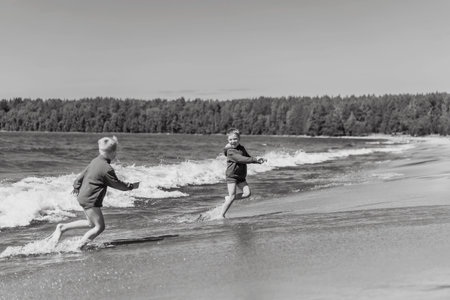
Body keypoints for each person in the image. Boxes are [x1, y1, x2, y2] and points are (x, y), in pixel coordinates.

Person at [47, 136, 139, 248]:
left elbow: (81, 175)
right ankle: (78, 247)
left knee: (91, 223)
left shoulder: (95, 161)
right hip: (91, 199)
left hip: (83, 196)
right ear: (113, 153)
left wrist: (76, 187)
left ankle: (63, 227)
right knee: (100, 227)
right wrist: (131, 186)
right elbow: (117, 184)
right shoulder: (107, 168)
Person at [220, 128, 266, 218]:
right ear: (228, 140)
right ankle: (222, 215)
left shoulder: (242, 148)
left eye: (235, 139)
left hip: (241, 177)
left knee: (247, 193)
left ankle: (228, 198)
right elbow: (241, 159)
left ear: (239, 139)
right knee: (232, 196)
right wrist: (254, 160)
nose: (233, 141)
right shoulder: (230, 152)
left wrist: (258, 160)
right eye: (230, 139)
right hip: (232, 176)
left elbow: (247, 157)